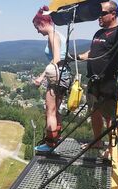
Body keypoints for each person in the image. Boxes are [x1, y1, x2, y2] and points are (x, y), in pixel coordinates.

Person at [76, 1, 118, 156]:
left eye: (102, 13)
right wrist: (75, 57)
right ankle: (97, 141)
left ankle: (112, 150)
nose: (99, 16)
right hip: (93, 80)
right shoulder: (98, 34)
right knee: (94, 111)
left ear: (114, 14)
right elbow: (92, 53)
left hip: (110, 82)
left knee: (111, 116)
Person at [33, 6, 71, 152]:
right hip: (63, 75)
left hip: (57, 75)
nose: (38, 31)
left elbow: (55, 59)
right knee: (55, 111)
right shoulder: (57, 33)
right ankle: (55, 140)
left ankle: (50, 144)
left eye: (37, 27)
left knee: (50, 111)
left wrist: (41, 77)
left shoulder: (52, 35)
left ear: (42, 23)